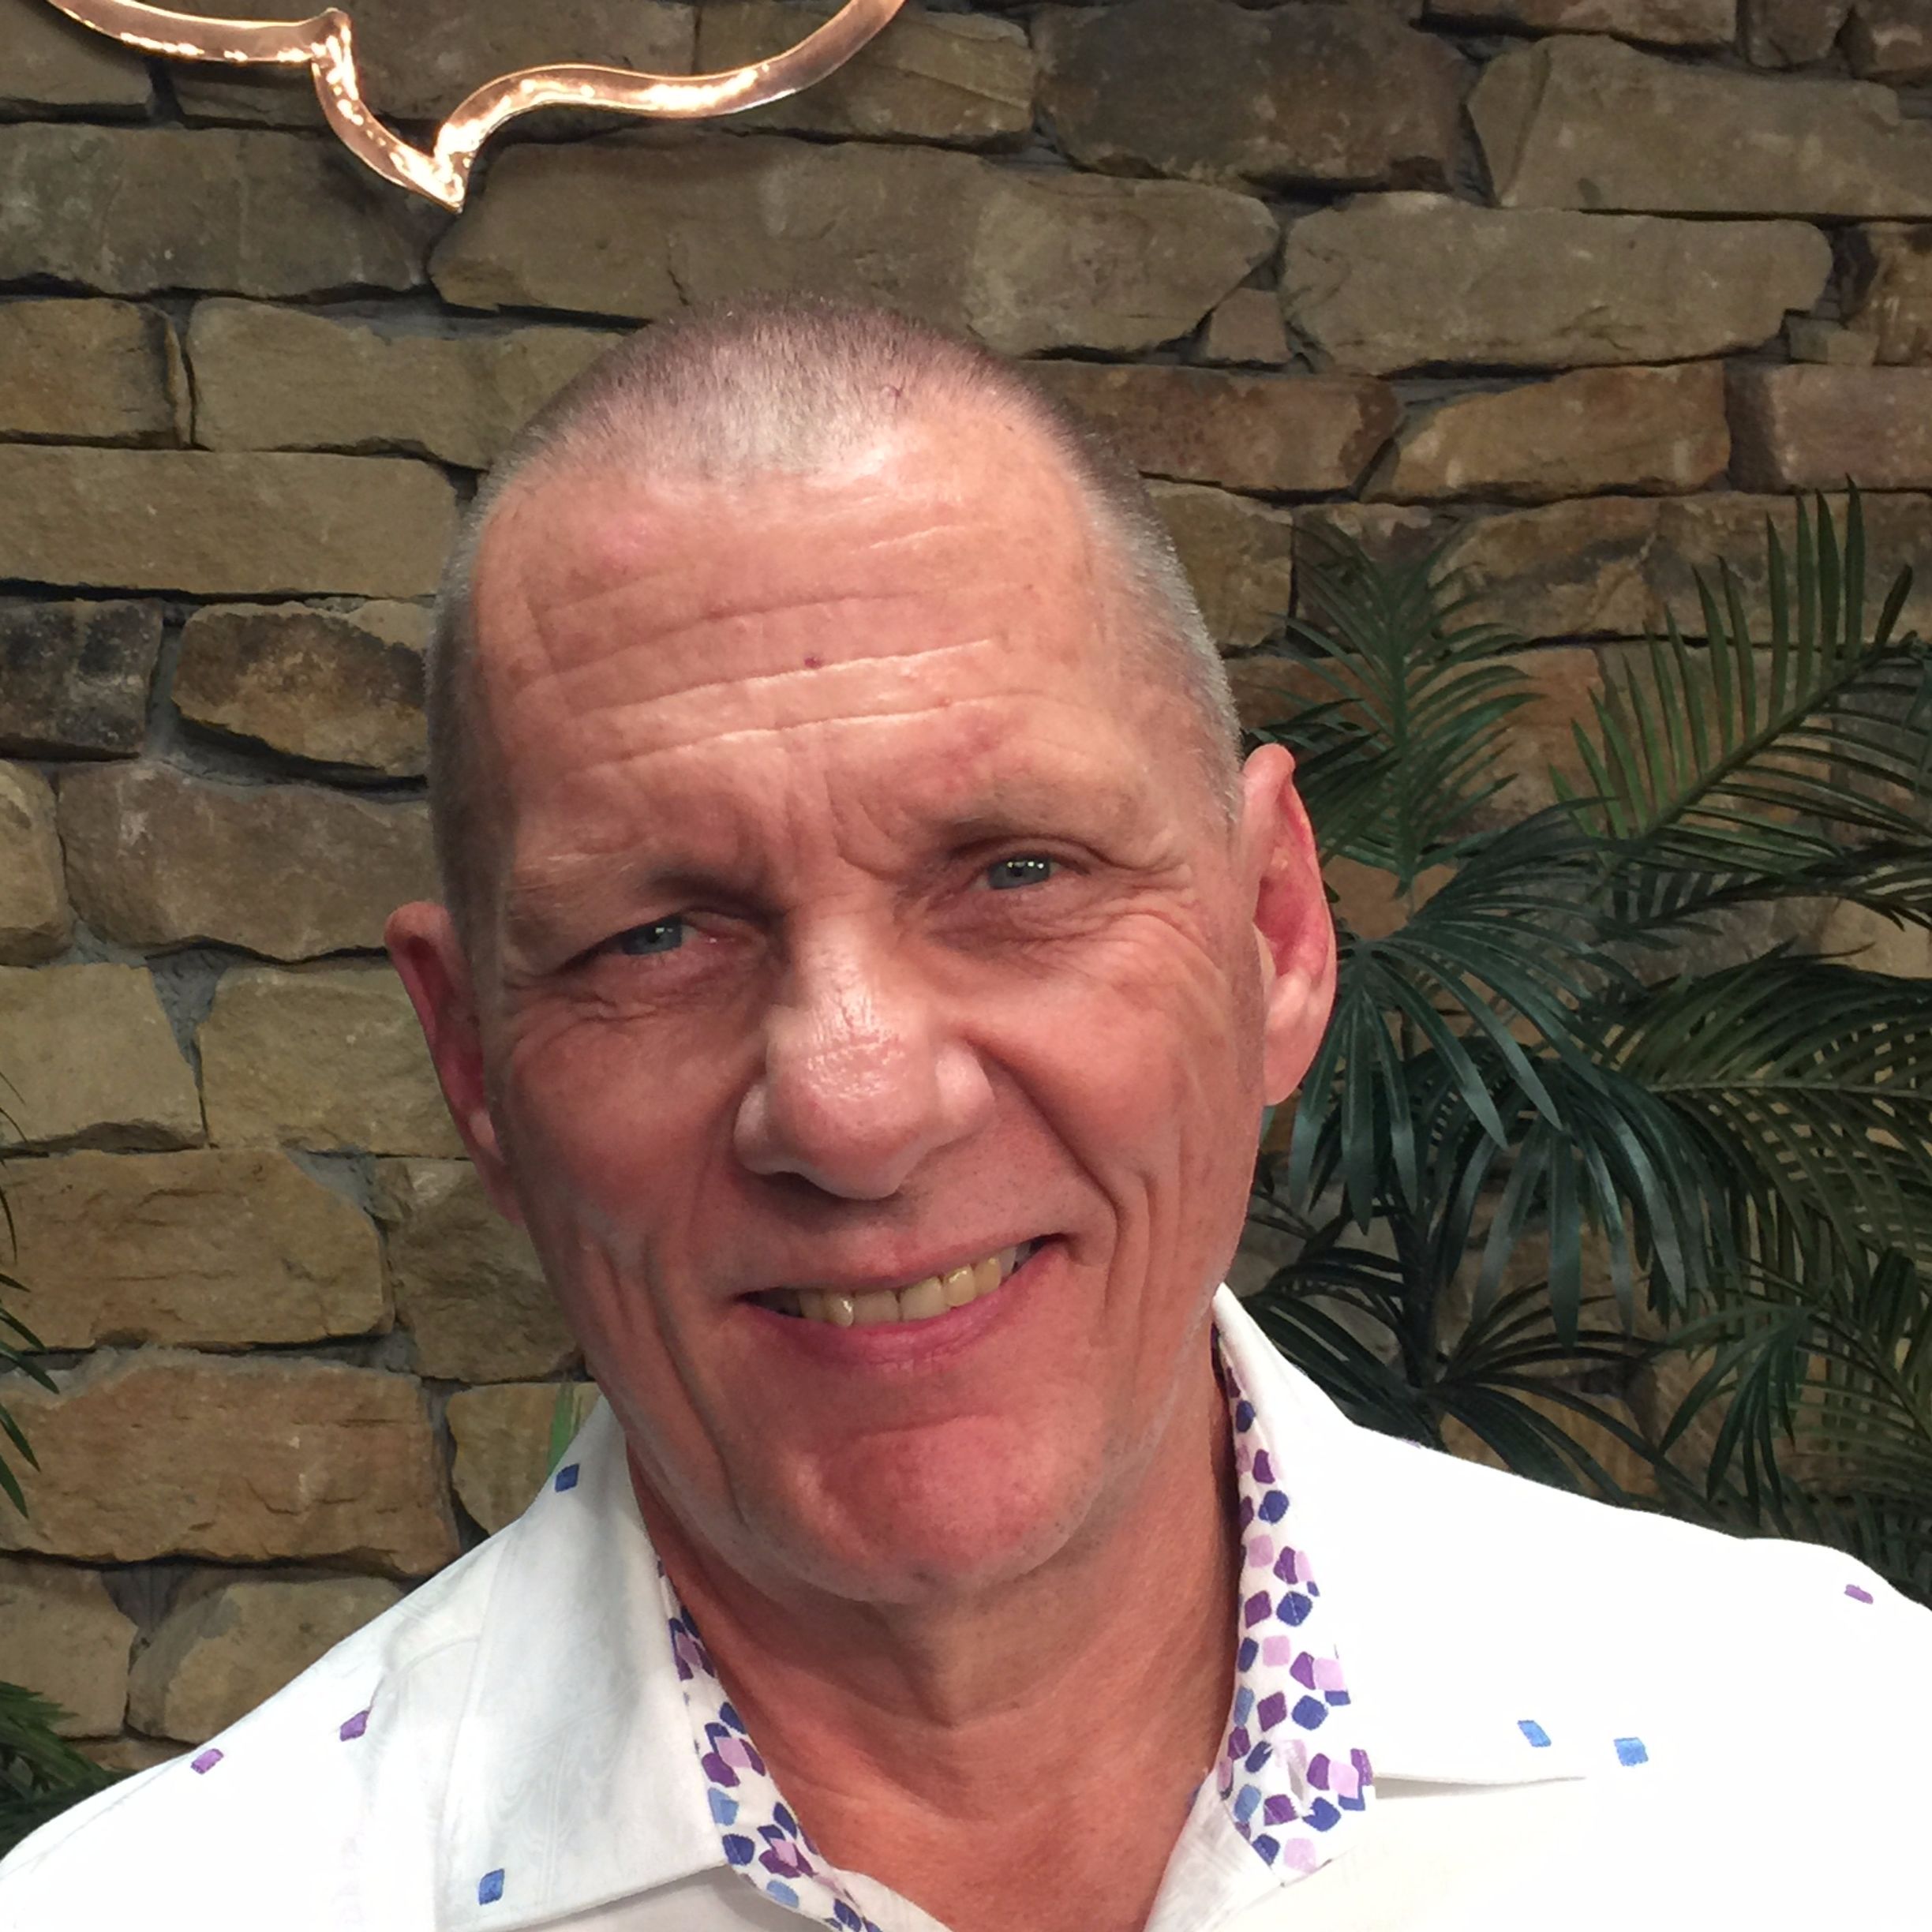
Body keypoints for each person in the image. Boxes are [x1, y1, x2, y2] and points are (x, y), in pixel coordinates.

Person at [3, 300, 1926, 1932]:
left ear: (1273, 934)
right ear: (475, 1068)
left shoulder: (1842, 1779)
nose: (854, 1108)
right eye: (657, 934)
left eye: (1017, 873)